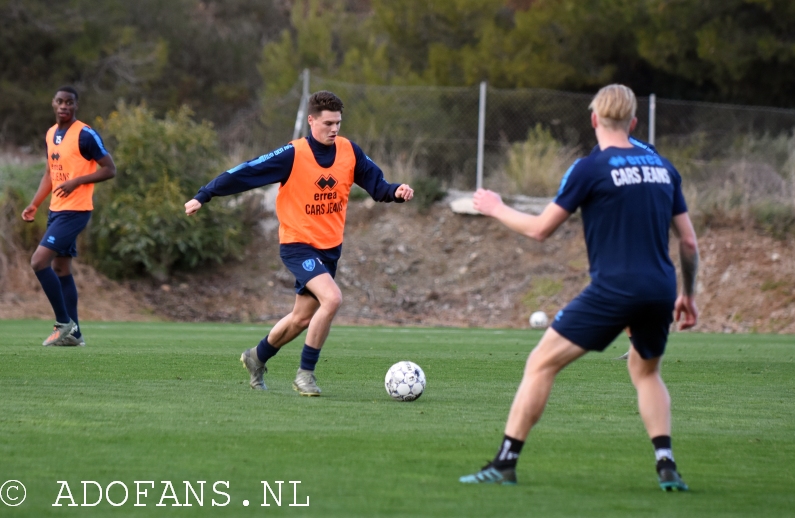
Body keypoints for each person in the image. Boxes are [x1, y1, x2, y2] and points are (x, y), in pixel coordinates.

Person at [460, 84, 699, 491]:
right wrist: (688, 295)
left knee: (541, 363)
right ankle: (666, 464)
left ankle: (504, 463)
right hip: (660, 287)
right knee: (645, 372)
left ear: (593, 120)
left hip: (614, 290)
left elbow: (540, 230)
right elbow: (690, 242)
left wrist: (496, 207)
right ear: (634, 122)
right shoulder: (663, 167)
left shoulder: (590, 168)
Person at [184, 91, 414, 396]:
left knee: (301, 318)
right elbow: (246, 172)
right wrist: (204, 194)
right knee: (332, 299)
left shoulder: (350, 152)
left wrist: (396, 190)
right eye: (328, 123)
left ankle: (257, 357)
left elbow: (378, 186)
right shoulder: (293, 154)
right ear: (311, 120)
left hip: (329, 248)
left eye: (338, 123)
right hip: (298, 244)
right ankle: (305, 374)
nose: (334, 129)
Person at [22, 86, 116, 347]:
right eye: (60, 101)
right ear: (53, 103)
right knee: (60, 267)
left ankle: (63, 323)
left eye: (69, 102)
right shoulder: (51, 134)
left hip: (76, 210)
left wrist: (77, 182)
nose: (64, 106)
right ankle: (74, 334)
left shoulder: (85, 135)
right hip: (56, 209)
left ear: (76, 106)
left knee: (39, 261)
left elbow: (110, 169)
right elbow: (50, 174)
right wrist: (34, 204)